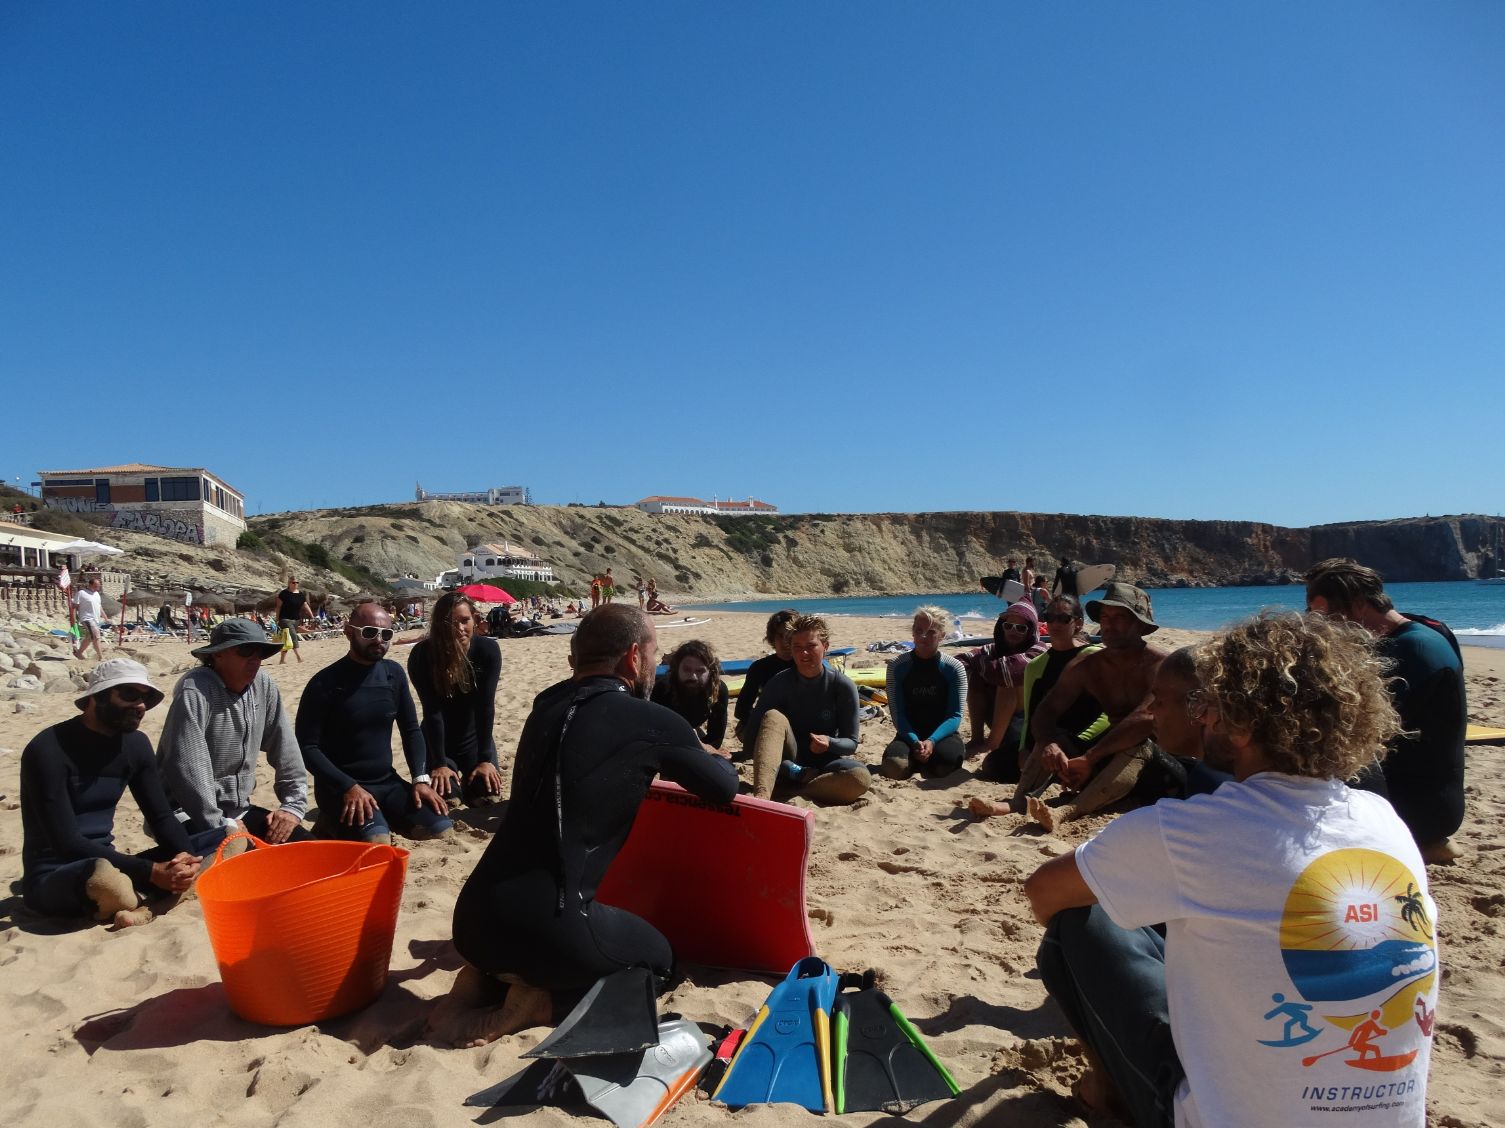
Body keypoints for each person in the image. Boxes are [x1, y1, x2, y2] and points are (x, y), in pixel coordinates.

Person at [1024, 612, 1437, 1127]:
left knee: (1078, 924)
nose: (1197, 716)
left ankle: (1108, 1090)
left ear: (1239, 724)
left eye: (1206, 704)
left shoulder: (1192, 831)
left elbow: (1043, 892)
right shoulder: (1383, 820)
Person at [433, 605, 739, 1047]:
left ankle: (482, 981)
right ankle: (540, 1006)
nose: (657, 666)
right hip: (553, 932)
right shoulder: (654, 721)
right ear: (634, 658)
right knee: (662, 963)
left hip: (473, 925)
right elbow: (722, 789)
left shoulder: (545, 704)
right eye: (654, 655)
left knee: (538, 921)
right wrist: (700, 751)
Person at [20, 659, 220, 928]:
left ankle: (141, 905)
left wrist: (184, 857)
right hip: (58, 873)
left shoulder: (135, 745)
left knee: (227, 838)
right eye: (129, 694)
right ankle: (151, 897)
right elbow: (65, 842)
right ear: (96, 698)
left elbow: (161, 816)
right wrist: (151, 872)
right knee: (104, 877)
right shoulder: (47, 749)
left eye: (146, 697)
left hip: (114, 863)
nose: (140, 706)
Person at [1304, 558, 1466, 863]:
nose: (1321, 626)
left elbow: (1354, 730)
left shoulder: (1409, 652)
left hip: (1422, 809)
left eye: (1326, 615)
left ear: (1360, 604)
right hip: (1426, 797)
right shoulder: (1421, 631)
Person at [296, 602, 453, 844]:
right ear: (349, 632)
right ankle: (331, 820)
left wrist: (420, 779)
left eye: (387, 634)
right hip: (339, 788)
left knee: (441, 829)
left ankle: (378, 816)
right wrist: (348, 787)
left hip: (386, 781)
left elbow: (411, 730)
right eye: (369, 632)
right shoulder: (325, 683)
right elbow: (307, 747)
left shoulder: (393, 674)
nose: (379, 640)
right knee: (377, 842)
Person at [1016, 582, 1169, 830]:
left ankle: (1068, 811)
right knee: (1058, 741)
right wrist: (1049, 743)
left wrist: (1090, 757)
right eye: (1105, 617)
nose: (1108, 624)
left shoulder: (1161, 665)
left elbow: (1145, 718)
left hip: (1161, 762)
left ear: (1140, 624)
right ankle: (1017, 803)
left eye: (1119, 617)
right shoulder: (1087, 665)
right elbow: (1045, 711)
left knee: (1141, 742)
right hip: (1110, 759)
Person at [157, 618, 311, 843]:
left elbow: (285, 746)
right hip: (187, 812)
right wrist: (221, 824)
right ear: (217, 655)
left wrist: (293, 806)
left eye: (260, 652)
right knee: (243, 860)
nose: (255, 659)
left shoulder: (263, 685)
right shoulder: (196, 691)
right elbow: (188, 768)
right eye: (246, 650)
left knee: (305, 846)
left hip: (238, 809)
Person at [968, 595, 1109, 803]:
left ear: (1078, 623)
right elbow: (1031, 715)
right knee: (992, 764)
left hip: (1083, 741)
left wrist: (1077, 742)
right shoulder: (1036, 666)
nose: (1055, 623)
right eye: (1050, 617)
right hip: (1046, 742)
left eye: (1063, 618)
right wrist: (1025, 748)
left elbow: (1109, 712)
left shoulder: (1095, 657)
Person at [744, 615, 868, 804]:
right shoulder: (778, 683)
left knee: (860, 777)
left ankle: (803, 788)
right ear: (791, 650)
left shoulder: (842, 686)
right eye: (797, 647)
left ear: (825, 646)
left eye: (811, 646)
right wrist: (789, 767)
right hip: (787, 762)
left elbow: (850, 743)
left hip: (825, 764)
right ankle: (762, 798)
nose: (804, 654)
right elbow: (750, 744)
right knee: (773, 717)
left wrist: (829, 742)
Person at [407, 592, 504, 806]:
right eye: (451, 623)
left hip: (474, 740)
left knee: (486, 796)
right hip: (437, 741)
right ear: (439, 625)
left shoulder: (487, 651)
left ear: (475, 619)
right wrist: (440, 763)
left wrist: (485, 759)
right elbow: (432, 711)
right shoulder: (422, 655)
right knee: (449, 798)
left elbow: (485, 707)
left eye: (464, 620)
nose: (459, 628)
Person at [880, 606, 968, 781]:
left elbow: (955, 715)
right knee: (894, 768)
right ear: (912, 633)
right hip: (908, 734)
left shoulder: (954, 667)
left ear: (942, 635)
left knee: (944, 766)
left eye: (930, 632)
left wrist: (932, 741)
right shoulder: (897, 666)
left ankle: (926, 757)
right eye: (918, 631)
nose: (923, 637)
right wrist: (914, 741)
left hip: (943, 735)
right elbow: (898, 715)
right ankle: (917, 758)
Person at [957, 601, 1048, 765]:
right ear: (1001, 627)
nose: (1013, 631)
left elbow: (1011, 671)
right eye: (1008, 626)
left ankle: (991, 745)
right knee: (976, 678)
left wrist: (983, 665)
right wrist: (984, 667)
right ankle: (977, 739)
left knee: (1009, 681)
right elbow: (961, 661)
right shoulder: (995, 649)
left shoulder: (1039, 650)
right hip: (998, 717)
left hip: (1026, 724)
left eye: (1021, 628)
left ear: (1031, 630)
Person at [732, 609, 799, 743]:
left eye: (790, 636)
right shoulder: (760, 667)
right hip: (768, 722)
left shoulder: (805, 665)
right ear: (772, 638)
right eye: (781, 636)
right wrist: (766, 721)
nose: (786, 642)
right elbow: (741, 709)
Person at [651, 638, 730, 751]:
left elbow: (716, 737)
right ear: (677, 668)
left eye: (700, 671)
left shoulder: (717, 691)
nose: (693, 676)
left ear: (710, 671)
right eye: (687, 669)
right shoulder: (662, 689)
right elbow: (654, 732)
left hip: (692, 732)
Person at [273, 576, 312, 665]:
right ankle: (299, 657)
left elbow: (305, 605)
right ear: (289, 583)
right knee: (293, 636)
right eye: (293, 582)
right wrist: (277, 619)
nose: (295, 584)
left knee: (287, 639)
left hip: (296, 620)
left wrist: (312, 615)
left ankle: (282, 660)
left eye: (297, 582)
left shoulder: (300, 594)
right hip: (285, 619)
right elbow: (278, 607)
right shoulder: (283, 594)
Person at [72, 573, 105, 661]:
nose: (97, 588)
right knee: (96, 635)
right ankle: (101, 656)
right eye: (96, 586)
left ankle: (78, 653)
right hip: (86, 618)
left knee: (89, 637)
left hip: (95, 619)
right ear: (90, 585)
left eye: (98, 586)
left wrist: (105, 617)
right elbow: (74, 606)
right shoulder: (81, 593)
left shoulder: (97, 594)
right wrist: (73, 619)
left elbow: (99, 606)